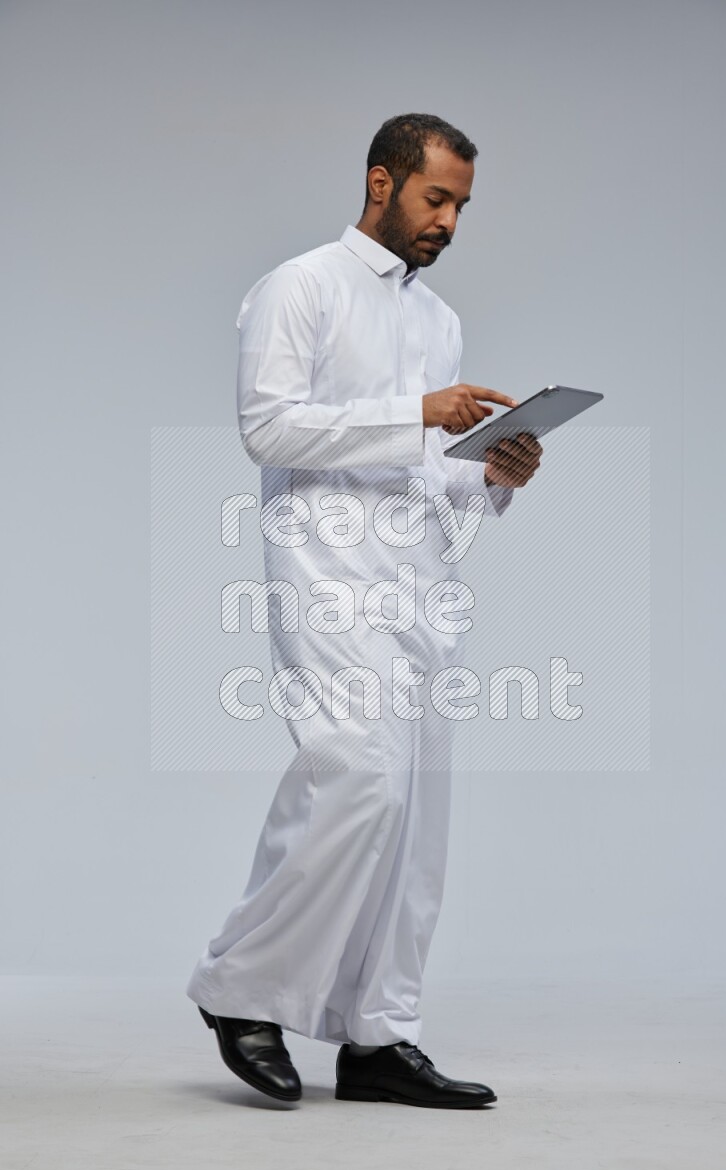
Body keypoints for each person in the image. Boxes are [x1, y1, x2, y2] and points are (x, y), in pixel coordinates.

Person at [186, 113, 543, 1108]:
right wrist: (417, 413)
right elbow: (267, 428)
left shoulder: (439, 322)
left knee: (417, 812)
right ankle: (238, 987)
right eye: (436, 198)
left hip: (419, 578)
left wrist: (493, 472)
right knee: (358, 780)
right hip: (327, 568)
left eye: (460, 205)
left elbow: (427, 468)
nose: (448, 221)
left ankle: (379, 1034)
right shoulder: (300, 287)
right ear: (381, 182)